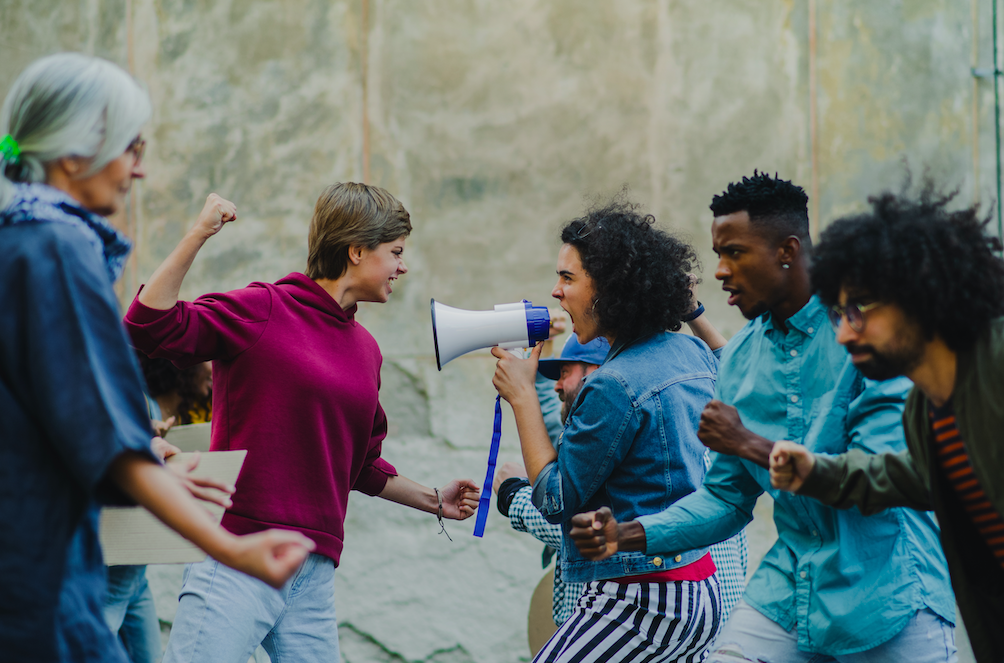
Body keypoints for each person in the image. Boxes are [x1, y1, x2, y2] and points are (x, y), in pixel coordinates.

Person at [0, 53, 314, 663]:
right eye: (131, 148)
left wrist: (155, 459)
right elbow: (109, 444)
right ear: (73, 155)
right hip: (39, 587)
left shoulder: (15, 241)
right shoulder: (58, 248)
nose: (138, 171)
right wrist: (233, 550)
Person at [569, 172, 958, 662]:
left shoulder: (867, 338)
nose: (719, 271)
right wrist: (626, 535)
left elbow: (881, 474)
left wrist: (749, 443)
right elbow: (727, 499)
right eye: (717, 254)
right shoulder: (737, 360)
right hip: (790, 590)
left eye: (734, 252)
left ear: (787, 251)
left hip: (890, 596)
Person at [124, 181, 481, 662]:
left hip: (313, 572)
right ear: (356, 250)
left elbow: (361, 465)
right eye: (395, 252)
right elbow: (146, 326)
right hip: (237, 555)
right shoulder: (263, 308)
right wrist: (198, 233)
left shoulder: (366, 350)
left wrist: (435, 500)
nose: (403, 265)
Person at [768, 183, 1004, 663]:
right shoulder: (926, 410)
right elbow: (913, 476)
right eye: (837, 313)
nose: (844, 332)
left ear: (922, 288)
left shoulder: (995, 365)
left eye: (861, 307)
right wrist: (817, 472)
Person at [492, 198, 724, 662]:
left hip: (643, 600)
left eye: (567, 277)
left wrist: (522, 398)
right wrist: (695, 310)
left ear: (611, 290)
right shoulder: (689, 353)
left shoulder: (613, 384)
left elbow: (557, 500)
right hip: (699, 588)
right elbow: (731, 363)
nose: (556, 292)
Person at [496, 317, 749, 628]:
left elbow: (573, 523)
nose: (557, 385)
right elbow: (558, 426)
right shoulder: (695, 434)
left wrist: (514, 494)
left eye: (564, 372)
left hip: (655, 618)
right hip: (715, 622)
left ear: (601, 370)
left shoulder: (621, 406)